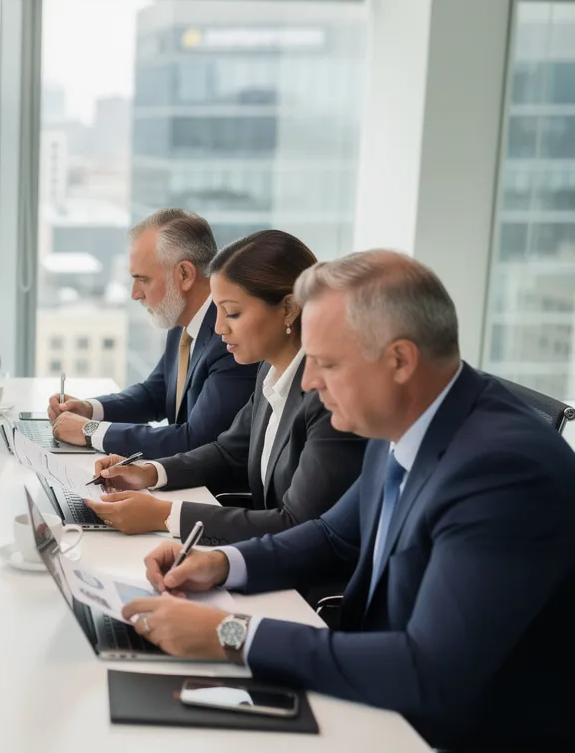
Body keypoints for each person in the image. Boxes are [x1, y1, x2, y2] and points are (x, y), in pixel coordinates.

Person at [118, 251, 575, 749]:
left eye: (327, 363)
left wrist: (231, 634)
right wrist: (221, 564)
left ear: (400, 360)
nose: (309, 382)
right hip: (381, 698)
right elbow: (334, 534)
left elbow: (430, 671)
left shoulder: (503, 471)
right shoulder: (405, 413)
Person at [87, 230, 366, 546]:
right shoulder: (269, 371)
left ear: (288, 309)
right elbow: (229, 451)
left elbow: (297, 523)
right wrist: (149, 472)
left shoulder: (328, 399)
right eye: (217, 311)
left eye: (232, 313)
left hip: (300, 583)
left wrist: (164, 515)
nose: (219, 328)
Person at [47, 209, 257, 458]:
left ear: (185, 275)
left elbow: (196, 441)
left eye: (142, 279)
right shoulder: (182, 319)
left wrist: (91, 431)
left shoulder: (230, 338)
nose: (134, 293)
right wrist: (90, 409)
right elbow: (155, 394)